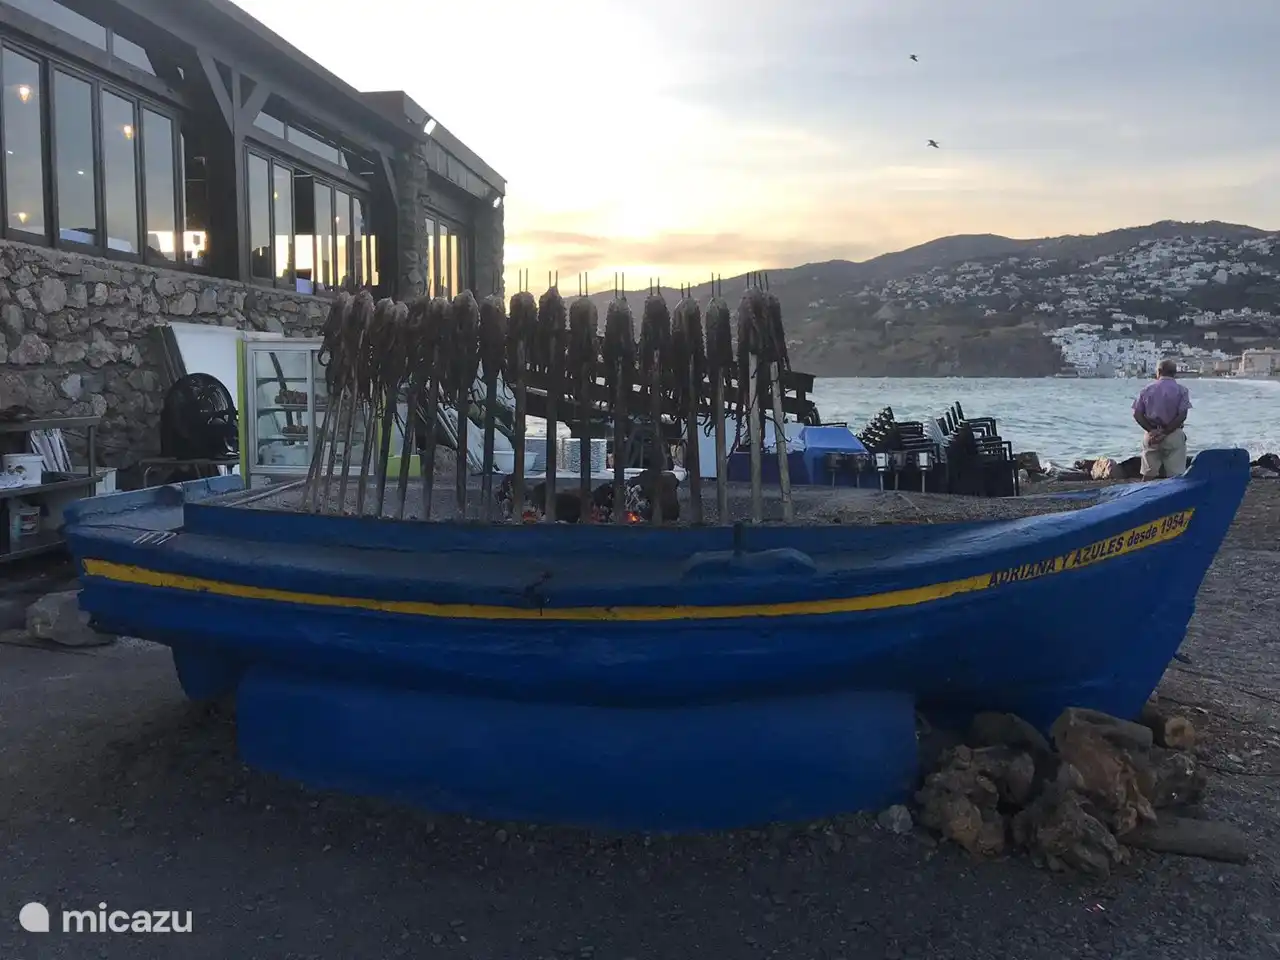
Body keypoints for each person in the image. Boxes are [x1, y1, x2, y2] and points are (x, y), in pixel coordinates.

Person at [1132, 359, 1191, 480]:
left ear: (1159, 371)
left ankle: (1142, 497)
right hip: (1173, 434)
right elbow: (1182, 415)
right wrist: (1165, 432)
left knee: (1148, 474)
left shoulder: (1146, 390)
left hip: (1151, 436)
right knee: (1176, 475)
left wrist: (1152, 431)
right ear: (1174, 373)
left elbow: (1137, 414)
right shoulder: (1182, 390)